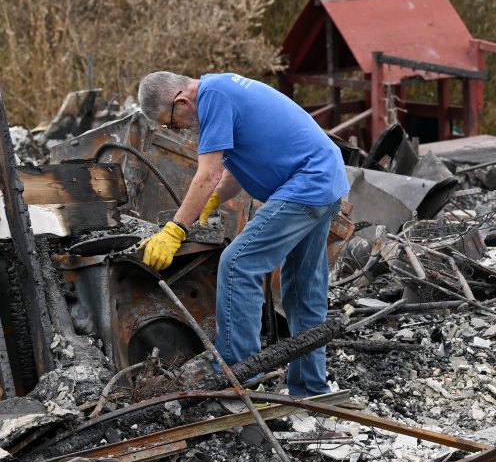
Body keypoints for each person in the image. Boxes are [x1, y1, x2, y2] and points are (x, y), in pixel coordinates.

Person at [136, 71, 349, 397]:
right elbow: (232, 167)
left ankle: (241, 375)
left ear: (180, 101)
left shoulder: (213, 98)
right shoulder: (221, 88)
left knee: (238, 264)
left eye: (171, 123)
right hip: (325, 178)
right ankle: (310, 389)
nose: (177, 129)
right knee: (302, 289)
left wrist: (175, 229)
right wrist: (217, 198)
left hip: (307, 182)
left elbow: (206, 174)